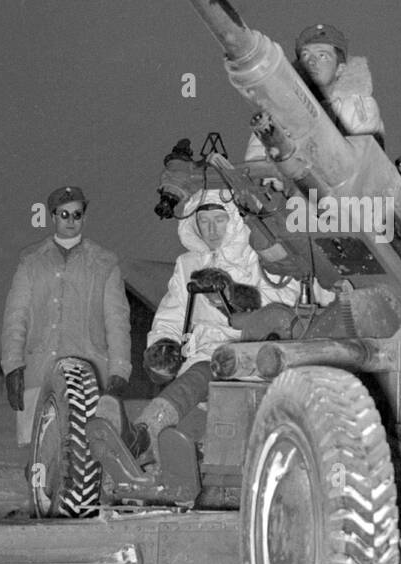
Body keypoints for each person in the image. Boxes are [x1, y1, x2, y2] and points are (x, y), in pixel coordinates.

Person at [130, 189, 305, 459]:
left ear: (234, 219)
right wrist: (163, 344)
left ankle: (145, 432)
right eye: (204, 221)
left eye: (219, 219)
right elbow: (173, 312)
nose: (211, 230)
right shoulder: (187, 263)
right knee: (197, 396)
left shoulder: (261, 258)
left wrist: (233, 295)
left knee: (205, 377)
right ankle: (148, 449)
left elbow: (281, 305)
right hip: (202, 354)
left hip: (251, 353)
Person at [1, 185, 131, 445]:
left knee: (86, 450)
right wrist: (13, 367)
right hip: (40, 369)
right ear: (53, 217)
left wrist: (119, 370)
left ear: (85, 217)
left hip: (89, 372)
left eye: (77, 214)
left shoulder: (104, 263)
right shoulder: (31, 262)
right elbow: (16, 318)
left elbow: (117, 321)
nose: (71, 221)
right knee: (42, 449)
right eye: (64, 214)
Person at [246, 22, 384, 161]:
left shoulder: (357, 108)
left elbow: (367, 163)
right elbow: (255, 163)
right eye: (305, 55)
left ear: (339, 69)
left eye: (322, 55)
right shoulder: (278, 110)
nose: (311, 62)